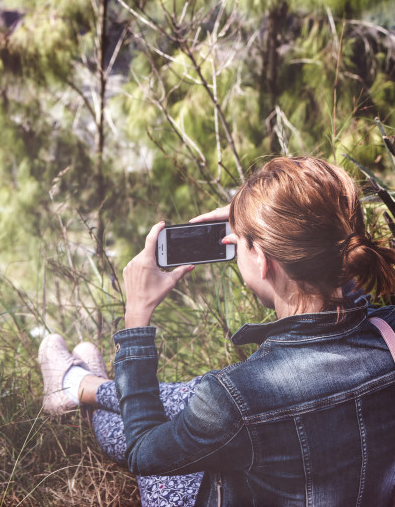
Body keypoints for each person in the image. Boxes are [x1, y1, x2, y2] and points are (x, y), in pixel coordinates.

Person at [38, 156, 395, 506]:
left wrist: (137, 316)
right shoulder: (388, 331)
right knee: (197, 397)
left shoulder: (236, 398)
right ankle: (81, 385)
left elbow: (145, 453)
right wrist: (263, 219)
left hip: (236, 429)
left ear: (261, 259)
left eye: (241, 241)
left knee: (186, 424)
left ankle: (76, 387)